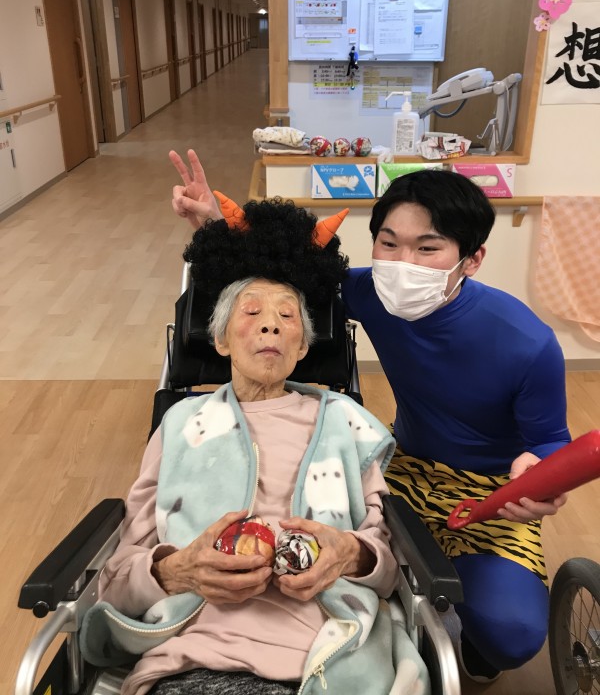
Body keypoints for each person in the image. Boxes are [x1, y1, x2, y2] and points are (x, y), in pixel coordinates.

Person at [169, 150, 571, 684]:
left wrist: (541, 476)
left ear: (472, 259)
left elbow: (551, 441)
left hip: (492, 491)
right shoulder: (368, 292)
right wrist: (211, 224)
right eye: (389, 243)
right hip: (403, 468)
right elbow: (278, 276)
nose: (403, 263)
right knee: (337, 565)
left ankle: (473, 651)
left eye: (427, 248)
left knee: (510, 632)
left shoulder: (527, 342)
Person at [80, 197, 429, 695]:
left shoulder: (344, 425)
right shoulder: (183, 425)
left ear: (303, 346)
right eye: (251, 312)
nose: (271, 324)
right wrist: (178, 571)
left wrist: (349, 554)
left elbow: (387, 562)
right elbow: (119, 575)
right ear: (220, 339)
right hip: (191, 653)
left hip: (329, 657)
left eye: (287, 315)